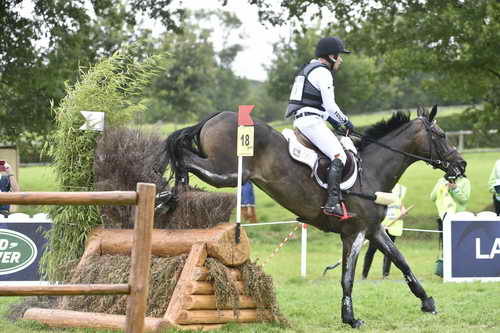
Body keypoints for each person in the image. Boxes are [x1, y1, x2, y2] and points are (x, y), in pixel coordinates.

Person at [285, 36, 355, 218]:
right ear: (331, 56)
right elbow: (331, 106)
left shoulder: (308, 69)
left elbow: (318, 105)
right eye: (339, 56)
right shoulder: (323, 72)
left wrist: (333, 122)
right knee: (339, 155)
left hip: (305, 120)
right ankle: (332, 203)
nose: (341, 60)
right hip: (311, 122)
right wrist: (345, 121)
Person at [362, 183, 407, 279]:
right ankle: (364, 275)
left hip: (393, 225)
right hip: (380, 225)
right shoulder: (383, 185)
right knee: (371, 250)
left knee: (389, 251)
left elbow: (400, 203)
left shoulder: (400, 188)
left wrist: (403, 210)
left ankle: (385, 275)